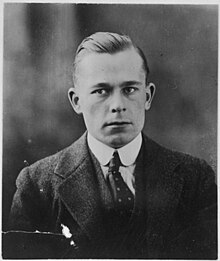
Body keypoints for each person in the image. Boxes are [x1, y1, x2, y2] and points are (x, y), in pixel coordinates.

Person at [8, 32, 217, 259]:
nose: (117, 105)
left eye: (129, 90)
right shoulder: (37, 186)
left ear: (147, 96)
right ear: (77, 101)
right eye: (101, 91)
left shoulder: (194, 179)